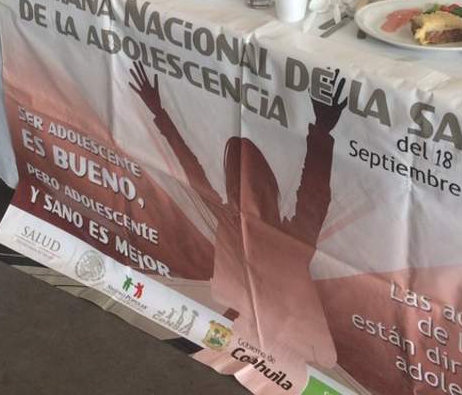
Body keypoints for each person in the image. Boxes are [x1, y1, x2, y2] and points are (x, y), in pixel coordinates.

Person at [129, 62, 343, 376]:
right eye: (239, 182)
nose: (244, 191)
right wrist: (159, 114)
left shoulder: (288, 236)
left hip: (290, 348)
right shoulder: (241, 224)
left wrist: (322, 133)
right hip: (248, 336)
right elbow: (191, 170)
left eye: (249, 183)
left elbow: (314, 193)